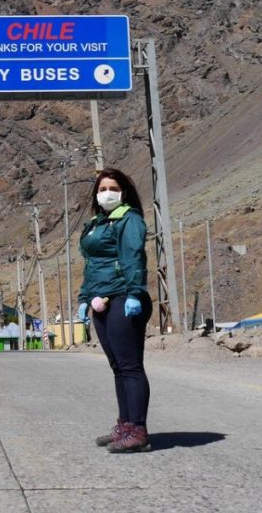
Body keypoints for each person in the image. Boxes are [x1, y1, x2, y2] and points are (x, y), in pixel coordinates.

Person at [77, 167, 154, 453]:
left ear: (124, 192)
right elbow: (91, 265)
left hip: (123, 298)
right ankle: (124, 425)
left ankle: (138, 430)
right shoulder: (97, 223)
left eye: (113, 188)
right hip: (101, 300)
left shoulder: (129, 219)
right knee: (117, 367)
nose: (106, 193)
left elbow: (133, 257)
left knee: (130, 366)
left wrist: (135, 292)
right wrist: (84, 298)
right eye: (102, 189)